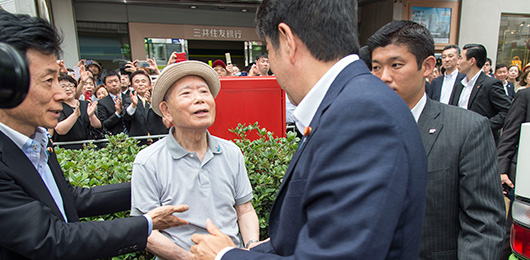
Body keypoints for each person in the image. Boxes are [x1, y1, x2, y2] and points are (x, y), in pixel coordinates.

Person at [189, 1, 428, 259]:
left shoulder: (361, 114)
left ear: (287, 40)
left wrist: (224, 256)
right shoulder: (348, 104)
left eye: (269, 50)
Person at [0, 9, 189, 259]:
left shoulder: (36, 142)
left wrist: (153, 185)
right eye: (48, 81)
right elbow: (54, 239)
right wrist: (145, 224)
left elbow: (72, 199)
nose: (60, 93)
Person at [368, 20, 506, 260]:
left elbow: (483, 227)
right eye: (376, 67)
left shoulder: (467, 130)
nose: (384, 77)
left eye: (396, 65)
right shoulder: (361, 129)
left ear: (427, 66)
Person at [131, 60, 259, 259]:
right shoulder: (148, 161)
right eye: (186, 93)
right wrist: (191, 258)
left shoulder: (231, 152)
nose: (199, 99)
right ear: (166, 110)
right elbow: (147, 231)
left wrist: (251, 246)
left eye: (204, 91)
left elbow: (245, 210)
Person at [450, 44, 512, 142]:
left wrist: (485, 125)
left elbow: (507, 110)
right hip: (459, 139)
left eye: (461, 58)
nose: (458, 62)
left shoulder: (490, 84)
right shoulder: (459, 85)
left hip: (482, 140)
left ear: (472, 61)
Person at [497, 86, 530, 260]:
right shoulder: (525, 96)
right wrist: (502, 170)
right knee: (514, 232)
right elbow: (509, 135)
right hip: (526, 181)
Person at [52, 74, 101, 149]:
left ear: (75, 88)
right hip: (66, 149)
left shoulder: (85, 104)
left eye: (71, 86)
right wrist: (75, 115)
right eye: (63, 87)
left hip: (86, 148)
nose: (68, 89)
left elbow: (97, 126)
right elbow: (60, 130)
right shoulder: (57, 106)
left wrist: (92, 116)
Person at [123, 70, 169, 144]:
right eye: (137, 82)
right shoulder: (128, 100)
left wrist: (152, 102)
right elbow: (127, 117)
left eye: (143, 81)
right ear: (131, 86)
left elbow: (165, 115)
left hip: (158, 140)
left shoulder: (158, 99)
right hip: (139, 142)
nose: (140, 84)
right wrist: (133, 105)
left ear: (150, 85)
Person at [96, 70, 129, 135]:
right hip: (115, 139)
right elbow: (104, 125)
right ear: (105, 85)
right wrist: (117, 113)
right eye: (110, 82)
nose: (114, 84)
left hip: (133, 137)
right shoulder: (102, 103)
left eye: (116, 81)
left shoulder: (130, 98)